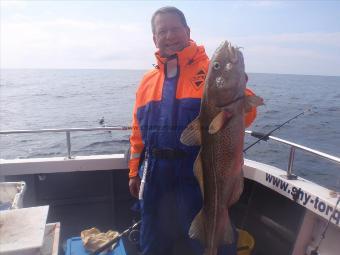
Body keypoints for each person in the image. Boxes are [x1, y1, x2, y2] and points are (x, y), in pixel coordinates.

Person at [128, 6, 257, 255]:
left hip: (198, 175)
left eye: (175, 29)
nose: (169, 36)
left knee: (205, 241)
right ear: (154, 38)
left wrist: (241, 94)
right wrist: (135, 172)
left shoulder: (210, 69)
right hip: (154, 175)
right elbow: (137, 131)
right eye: (162, 31)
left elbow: (246, 116)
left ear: (187, 31)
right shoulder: (147, 80)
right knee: (152, 243)